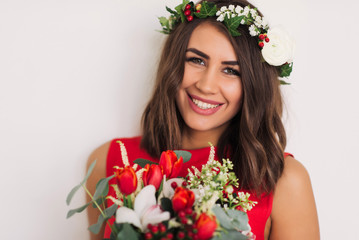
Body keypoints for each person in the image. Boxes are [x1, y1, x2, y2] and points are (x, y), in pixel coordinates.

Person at [86, 0, 320, 239]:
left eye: (231, 70)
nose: (206, 85)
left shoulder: (284, 179)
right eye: (196, 60)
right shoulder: (108, 160)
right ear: (173, 64)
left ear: (254, 85)